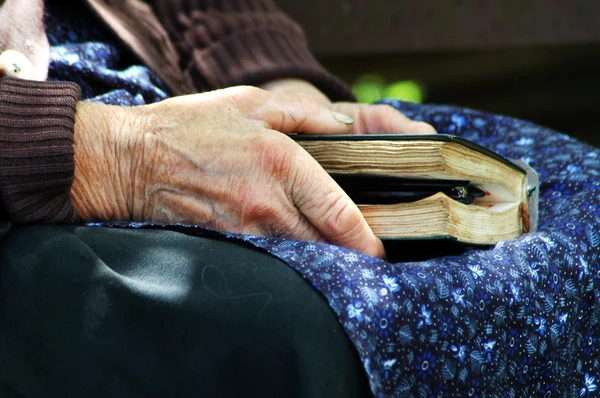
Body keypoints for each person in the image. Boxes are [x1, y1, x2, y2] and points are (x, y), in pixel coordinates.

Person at [0, 0, 433, 397]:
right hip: (35, 192)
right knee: (289, 326)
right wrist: (121, 155)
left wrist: (286, 94)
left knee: (490, 213)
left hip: (176, 104)